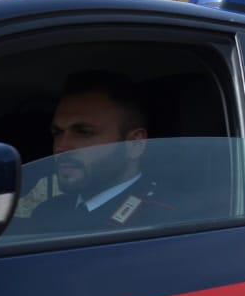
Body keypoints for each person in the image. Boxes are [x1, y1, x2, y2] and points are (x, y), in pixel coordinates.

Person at [25, 71, 176, 233]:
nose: (61, 147)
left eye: (84, 132)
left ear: (134, 144)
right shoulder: (48, 211)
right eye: (57, 133)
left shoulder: (168, 220)